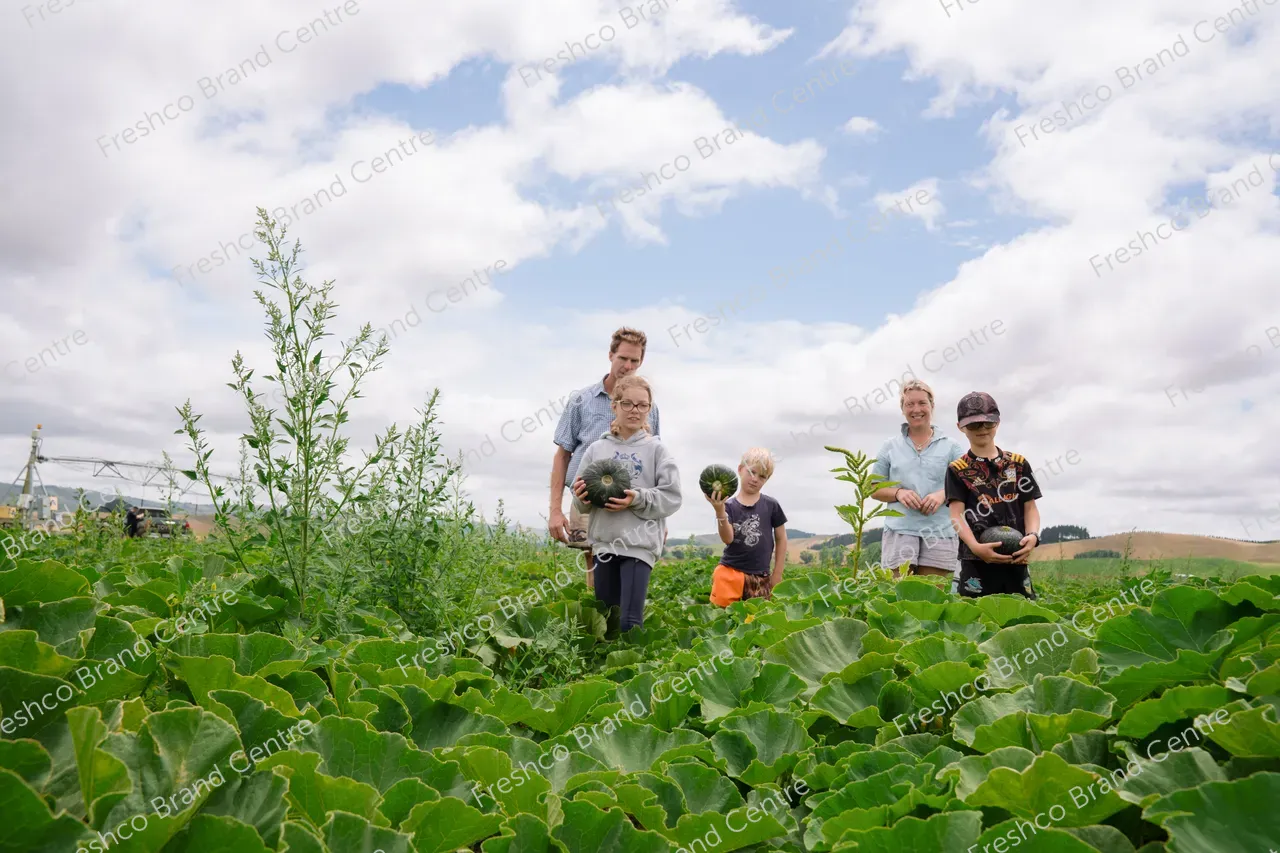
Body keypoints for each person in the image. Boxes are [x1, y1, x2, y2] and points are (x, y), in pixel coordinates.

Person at [550, 328, 660, 588]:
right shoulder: (581, 401)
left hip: (634, 503)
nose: (628, 366)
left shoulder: (650, 408)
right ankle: (598, 625)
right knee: (595, 571)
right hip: (588, 499)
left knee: (633, 566)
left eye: (634, 361)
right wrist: (555, 510)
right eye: (623, 358)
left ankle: (623, 624)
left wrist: (657, 515)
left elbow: (655, 463)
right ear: (610, 355)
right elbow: (562, 455)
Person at [570, 375, 680, 630]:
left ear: (649, 409)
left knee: (630, 621)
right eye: (628, 404)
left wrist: (637, 499)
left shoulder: (657, 450)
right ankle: (603, 669)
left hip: (639, 545)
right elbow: (581, 503)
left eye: (642, 405)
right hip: (605, 544)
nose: (635, 411)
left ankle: (634, 669)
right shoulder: (597, 449)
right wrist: (582, 497)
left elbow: (672, 497)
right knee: (605, 620)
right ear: (615, 405)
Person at [945, 391, 1042, 599]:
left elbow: (1030, 507)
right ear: (960, 427)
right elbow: (956, 515)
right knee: (971, 617)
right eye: (973, 425)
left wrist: (1033, 536)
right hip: (975, 561)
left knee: (1020, 617)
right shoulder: (957, 469)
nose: (982, 429)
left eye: (988, 423)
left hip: (1016, 558)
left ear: (997, 423)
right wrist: (976, 547)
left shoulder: (1018, 464)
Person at [870, 379, 966, 589]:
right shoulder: (890, 446)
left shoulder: (951, 447)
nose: (916, 409)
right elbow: (873, 488)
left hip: (939, 530)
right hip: (901, 530)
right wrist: (898, 493)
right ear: (902, 409)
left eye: (922, 403)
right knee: (898, 594)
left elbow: (967, 484)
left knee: (932, 597)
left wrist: (943, 494)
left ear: (932, 406)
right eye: (909, 404)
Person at [707, 448, 788, 606]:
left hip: (760, 577)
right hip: (729, 574)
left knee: (756, 623)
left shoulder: (771, 505)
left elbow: (781, 538)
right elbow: (728, 538)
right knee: (724, 621)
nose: (755, 479)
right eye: (752, 472)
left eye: (762, 476)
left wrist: (777, 573)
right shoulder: (728, 505)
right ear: (740, 469)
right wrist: (719, 511)